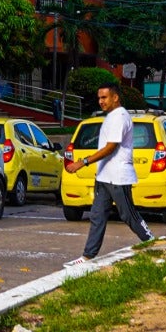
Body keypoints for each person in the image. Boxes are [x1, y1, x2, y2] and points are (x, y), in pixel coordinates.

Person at [63, 85, 152, 267]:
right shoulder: (111, 116)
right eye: (99, 98)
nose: (101, 101)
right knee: (97, 216)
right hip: (104, 177)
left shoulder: (120, 117)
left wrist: (83, 162)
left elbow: (111, 147)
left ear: (115, 97)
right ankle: (88, 256)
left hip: (118, 176)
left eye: (104, 97)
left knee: (128, 215)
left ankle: (152, 242)